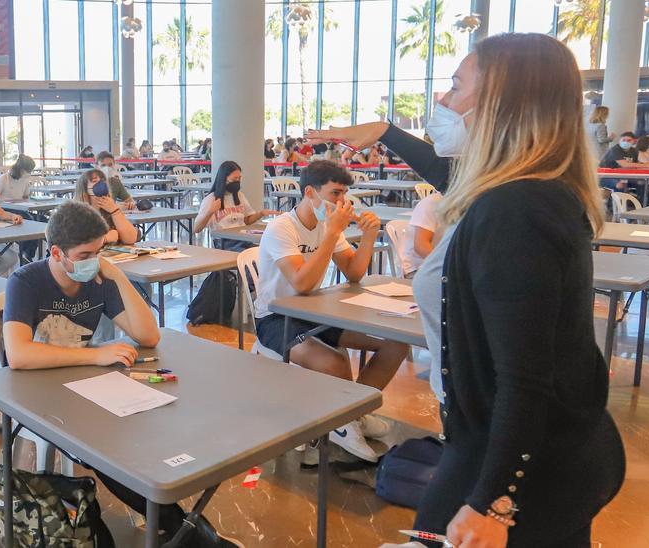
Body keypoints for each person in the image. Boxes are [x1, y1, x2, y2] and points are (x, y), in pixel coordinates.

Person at [308, 33, 625, 548]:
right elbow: (445, 170)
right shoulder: (522, 189)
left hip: (526, 463)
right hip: (552, 449)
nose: (442, 100)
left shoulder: (514, 211)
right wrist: (385, 131)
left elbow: (525, 379)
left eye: (456, 86)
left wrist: (493, 503)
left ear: (502, 104)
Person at [1, 200, 237, 547]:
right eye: (84, 255)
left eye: (100, 251)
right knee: (106, 444)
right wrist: (95, 356)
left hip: (85, 384)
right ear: (56, 253)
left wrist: (116, 274)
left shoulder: (99, 276)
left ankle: (172, 520)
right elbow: (18, 354)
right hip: (37, 392)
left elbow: (148, 335)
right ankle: (180, 526)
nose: (93, 261)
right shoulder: (26, 281)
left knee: (141, 427)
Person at [251, 160, 407, 461]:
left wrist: (370, 235)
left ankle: (350, 415)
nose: (342, 202)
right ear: (310, 192)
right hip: (275, 318)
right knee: (335, 362)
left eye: (345, 194)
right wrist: (332, 233)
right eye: (335, 193)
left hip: (313, 313)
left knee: (397, 342)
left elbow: (354, 272)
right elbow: (302, 283)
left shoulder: (327, 226)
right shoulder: (281, 228)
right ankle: (344, 421)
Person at [193, 161, 280, 251]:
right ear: (223, 179)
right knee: (251, 254)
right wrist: (210, 211)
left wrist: (261, 213)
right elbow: (196, 228)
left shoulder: (239, 195)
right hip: (224, 242)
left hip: (243, 238)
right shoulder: (211, 199)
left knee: (268, 250)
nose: (237, 182)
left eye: (239, 179)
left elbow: (246, 221)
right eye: (234, 179)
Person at [73, 169, 138, 245]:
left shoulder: (109, 209)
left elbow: (131, 239)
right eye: (94, 181)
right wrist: (105, 239)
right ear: (85, 190)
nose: (101, 184)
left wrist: (115, 211)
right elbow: (77, 244)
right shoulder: (76, 213)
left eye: (102, 180)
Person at [396, 191, 442, 279]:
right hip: (416, 269)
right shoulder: (432, 203)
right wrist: (447, 265)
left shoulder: (466, 205)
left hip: (437, 266)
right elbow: (421, 246)